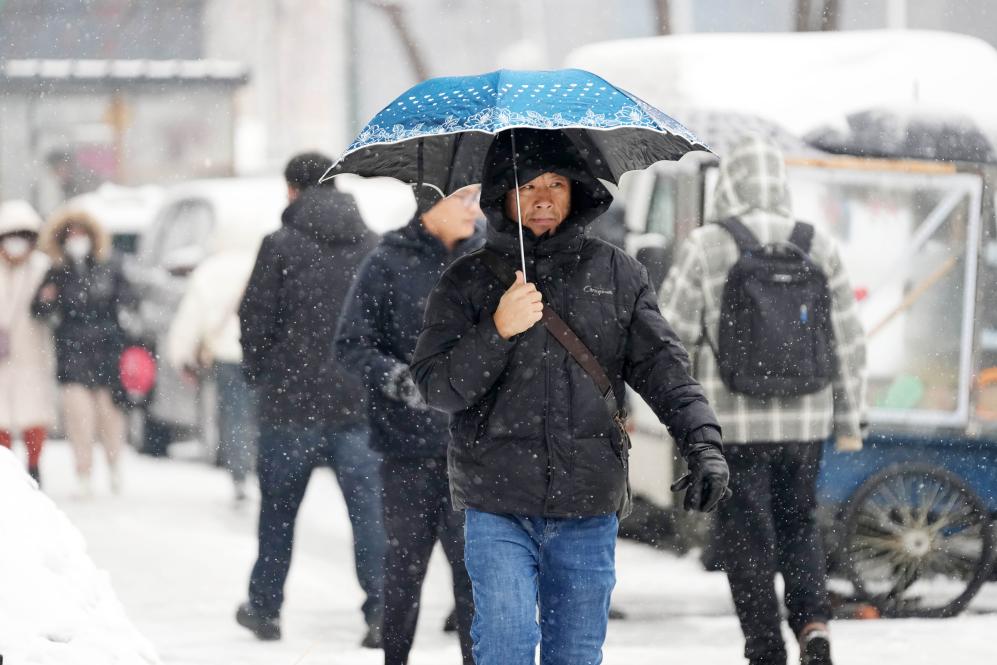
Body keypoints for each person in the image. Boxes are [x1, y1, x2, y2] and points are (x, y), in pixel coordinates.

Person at [410, 128, 730, 665]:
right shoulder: (466, 281)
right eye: (528, 183)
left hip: (588, 501)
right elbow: (437, 388)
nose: (542, 197)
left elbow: (665, 368)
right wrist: (497, 329)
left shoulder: (617, 273)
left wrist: (704, 444)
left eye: (556, 183)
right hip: (497, 502)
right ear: (500, 194)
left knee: (575, 655)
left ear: (577, 190)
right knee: (507, 645)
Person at [659, 134, 867, 665]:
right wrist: (848, 418)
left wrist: (678, 416)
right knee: (800, 526)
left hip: (732, 423)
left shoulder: (708, 244)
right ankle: (813, 625)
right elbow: (848, 338)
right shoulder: (815, 242)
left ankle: (765, 647)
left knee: (745, 537)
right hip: (806, 419)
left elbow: (672, 333)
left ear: (729, 181)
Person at [235, 152, 386, 646]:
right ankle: (382, 612)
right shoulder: (372, 245)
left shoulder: (278, 245)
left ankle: (265, 608)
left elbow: (254, 319)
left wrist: (261, 374)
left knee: (278, 514)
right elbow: (386, 321)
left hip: (289, 403)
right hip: (357, 404)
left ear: (292, 189)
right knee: (369, 518)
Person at [336, 184, 483, 665]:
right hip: (405, 449)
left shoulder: (490, 258)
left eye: (476, 198)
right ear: (430, 204)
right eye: (462, 199)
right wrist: (398, 380)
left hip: (474, 449)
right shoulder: (386, 261)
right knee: (403, 573)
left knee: (476, 576)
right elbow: (352, 343)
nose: (472, 210)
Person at [33, 208, 133, 497]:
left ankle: (114, 466)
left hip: (107, 352)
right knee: (79, 418)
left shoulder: (110, 265)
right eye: (70, 235)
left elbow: (127, 302)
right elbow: (38, 309)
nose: (76, 240)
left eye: (81, 234)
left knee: (110, 416)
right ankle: (83, 471)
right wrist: (46, 299)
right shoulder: (57, 271)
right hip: (72, 352)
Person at [166, 235, 259, 504]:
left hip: (227, 353)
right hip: (262, 353)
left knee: (234, 416)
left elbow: (191, 316)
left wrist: (181, 355)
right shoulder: (264, 262)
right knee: (261, 414)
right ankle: (262, 467)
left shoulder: (211, 269)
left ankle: (240, 474)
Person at [0, 201, 55, 485]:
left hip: (32, 352)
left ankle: (34, 466)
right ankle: (5, 470)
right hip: (1, 358)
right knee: (1, 416)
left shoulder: (44, 269)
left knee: (33, 413)